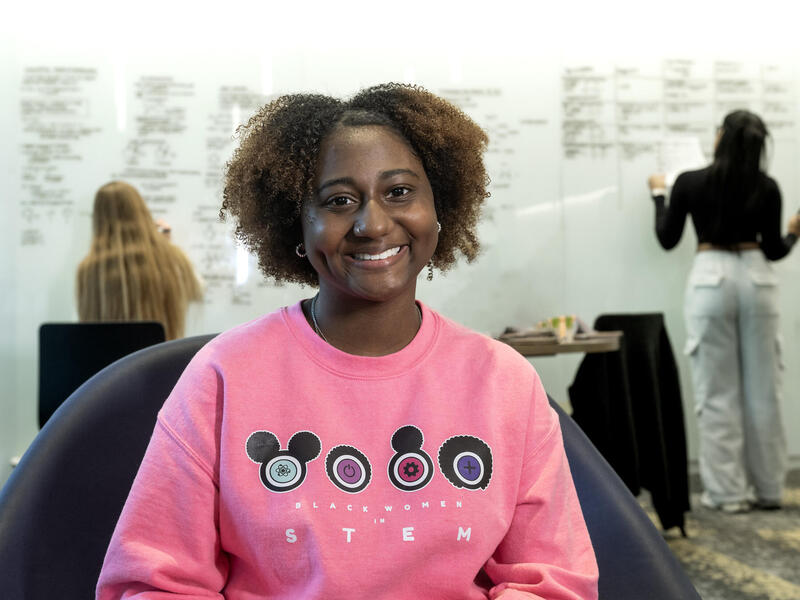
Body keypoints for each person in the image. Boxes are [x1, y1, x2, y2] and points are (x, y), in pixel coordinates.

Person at [96, 83, 598, 599]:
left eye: (399, 192)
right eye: (339, 200)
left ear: (439, 206)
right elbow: (154, 584)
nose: (373, 223)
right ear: (299, 223)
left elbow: (554, 580)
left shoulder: (504, 381)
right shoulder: (223, 376)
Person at [648, 110, 800, 514]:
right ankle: (769, 489)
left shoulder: (690, 181)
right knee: (765, 389)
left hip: (711, 276)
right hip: (757, 279)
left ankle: (728, 493)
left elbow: (667, 238)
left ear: (719, 139)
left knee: (717, 392)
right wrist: (793, 233)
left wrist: (658, 195)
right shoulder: (766, 186)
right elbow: (773, 249)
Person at [76, 181, 203, 340]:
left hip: (109, 363)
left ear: (99, 218)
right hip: (159, 361)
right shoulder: (173, 259)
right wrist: (165, 246)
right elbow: (196, 293)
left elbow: (86, 325)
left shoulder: (88, 269)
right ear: (141, 212)